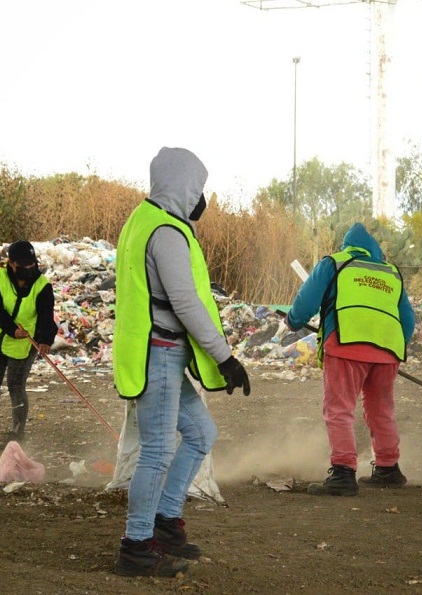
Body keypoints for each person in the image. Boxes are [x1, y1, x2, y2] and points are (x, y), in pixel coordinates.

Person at [112, 147, 251, 578]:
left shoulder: (143, 220)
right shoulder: (168, 233)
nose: (201, 199)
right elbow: (187, 303)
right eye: (198, 189)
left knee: (201, 432)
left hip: (158, 351)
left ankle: (166, 522)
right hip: (162, 350)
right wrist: (225, 358)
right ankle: (137, 547)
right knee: (156, 451)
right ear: (183, 185)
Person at [285, 222, 416, 497]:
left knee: (340, 408)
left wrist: (293, 321)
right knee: (381, 408)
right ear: (374, 250)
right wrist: (391, 347)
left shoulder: (334, 264)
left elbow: (306, 302)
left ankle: (343, 473)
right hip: (387, 351)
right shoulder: (390, 272)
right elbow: (408, 321)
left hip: (346, 344)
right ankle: (388, 468)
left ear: (347, 246)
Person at [0, 240, 57, 445]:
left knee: (16, 385)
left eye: (32, 263)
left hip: (23, 344)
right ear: (12, 264)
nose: (30, 267)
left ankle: (17, 433)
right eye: (24, 264)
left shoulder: (42, 286)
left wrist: (45, 340)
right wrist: (12, 330)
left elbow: (46, 317)